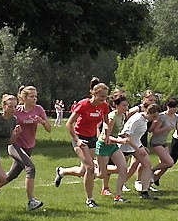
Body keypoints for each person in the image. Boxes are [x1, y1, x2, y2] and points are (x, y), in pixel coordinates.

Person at [0, 86, 51, 211]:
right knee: (30, 168)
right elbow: (5, 121)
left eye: (36, 96)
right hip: (15, 145)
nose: (35, 99)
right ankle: (31, 201)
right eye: (32, 96)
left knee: (12, 175)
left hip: (29, 146)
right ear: (24, 98)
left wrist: (42, 121)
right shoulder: (17, 111)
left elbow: (49, 128)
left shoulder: (39, 109)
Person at [55, 79, 110, 208]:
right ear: (94, 94)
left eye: (106, 97)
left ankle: (61, 171)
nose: (104, 99)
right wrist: (77, 140)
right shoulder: (83, 104)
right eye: (101, 96)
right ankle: (90, 199)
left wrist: (106, 134)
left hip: (92, 138)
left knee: (83, 171)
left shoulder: (104, 106)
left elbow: (106, 122)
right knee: (90, 168)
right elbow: (69, 124)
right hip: (80, 138)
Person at [118, 103, 161, 200]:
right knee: (120, 169)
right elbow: (125, 135)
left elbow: (136, 135)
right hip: (124, 146)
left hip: (135, 145)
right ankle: (117, 192)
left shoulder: (145, 120)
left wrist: (141, 146)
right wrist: (138, 149)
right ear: (148, 112)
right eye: (153, 116)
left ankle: (144, 192)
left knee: (147, 165)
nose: (154, 119)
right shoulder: (137, 119)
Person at [94, 94, 132, 204]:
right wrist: (120, 141)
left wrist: (125, 136)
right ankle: (92, 168)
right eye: (124, 105)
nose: (126, 107)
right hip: (103, 146)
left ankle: (118, 197)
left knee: (123, 169)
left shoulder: (123, 116)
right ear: (116, 105)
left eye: (127, 105)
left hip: (113, 146)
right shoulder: (112, 117)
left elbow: (118, 133)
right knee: (101, 174)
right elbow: (106, 138)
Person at [149, 98, 178, 187]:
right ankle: (151, 170)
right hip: (156, 142)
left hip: (164, 142)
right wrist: (165, 128)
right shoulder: (162, 116)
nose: (173, 109)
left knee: (166, 165)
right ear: (167, 106)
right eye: (171, 107)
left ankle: (151, 183)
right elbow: (155, 131)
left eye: (175, 107)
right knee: (170, 162)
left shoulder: (177, 117)